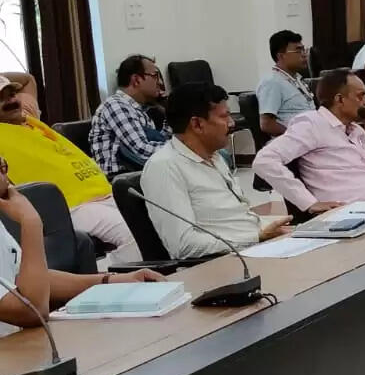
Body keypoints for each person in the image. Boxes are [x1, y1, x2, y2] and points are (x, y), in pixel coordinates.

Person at [0, 160, 163, 332]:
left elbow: (25, 279)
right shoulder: (25, 219)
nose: (7, 178)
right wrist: (31, 223)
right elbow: (33, 311)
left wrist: (112, 281)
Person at [141, 83, 292, 258]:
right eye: (224, 116)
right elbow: (183, 245)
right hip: (224, 261)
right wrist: (256, 237)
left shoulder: (215, 156)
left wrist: (275, 230)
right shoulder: (165, 166)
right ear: (197, 124)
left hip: (253, 247)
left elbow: (238, 218)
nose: (232, 123)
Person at [0, 81, 138, 261]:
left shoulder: (30, 121)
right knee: (135, 235)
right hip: (70, 206)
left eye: (12, 94)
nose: (11, 101)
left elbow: (27, 80)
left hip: (105, 192)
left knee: (154, 222)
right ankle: (108, 275)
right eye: (1, 98)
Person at [252, 70, 365, 212]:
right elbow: (264, 161)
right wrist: (308, 202)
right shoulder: (312, 124)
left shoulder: (356, 130)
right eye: (361, 96)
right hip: (350, 211)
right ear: (340, 99)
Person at [89, 54, 171, 176]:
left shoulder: (139, 109)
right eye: (155, 76)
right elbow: (141, 151)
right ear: (136, 80)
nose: (160, 82)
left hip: (140, 174)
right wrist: (182, 151)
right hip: (120, 179)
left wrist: (171, 112)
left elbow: (158, 141)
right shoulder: (116, 105)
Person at [255, 30, 315, 137]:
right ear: (281, 56)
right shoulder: (272, 82)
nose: (304, 55)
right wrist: (296, 135)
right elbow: (267, 124)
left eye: (304, 50)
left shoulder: (297, 78)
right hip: (294, 141)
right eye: (298, 51)